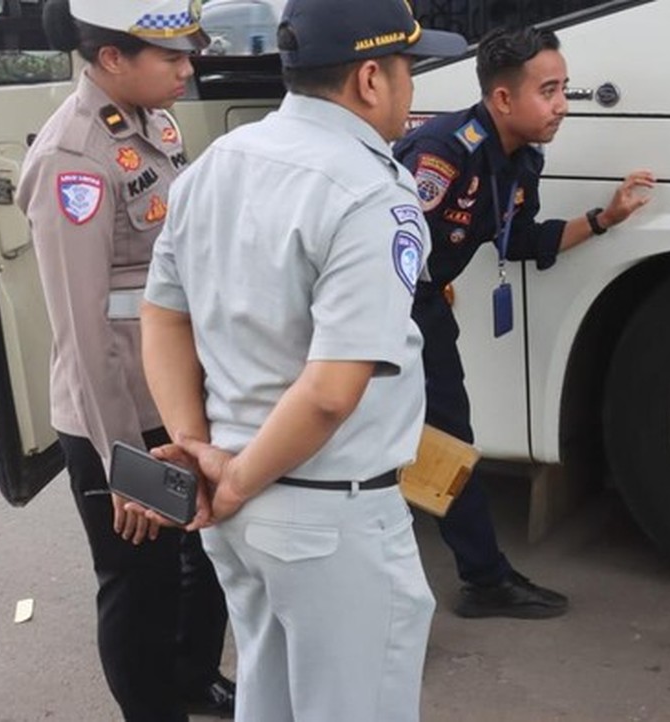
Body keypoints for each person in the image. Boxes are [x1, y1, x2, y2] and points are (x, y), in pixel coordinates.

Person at [136, 0, 466, 719]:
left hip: (237, 503)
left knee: (271, 694)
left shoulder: (218, 163)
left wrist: (196, 448)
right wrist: (231, 482)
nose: (413, 90)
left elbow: (162, 312)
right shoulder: (372, 192)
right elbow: (328, 391)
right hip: (325, 513)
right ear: (372, 78)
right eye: (409, 68)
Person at [15, 1, 234, 718]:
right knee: (138, 583)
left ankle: (194, 676)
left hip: (181, 397)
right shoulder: (71, 159)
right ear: (112, 60)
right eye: (169, 57)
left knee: (204, 556)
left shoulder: (155, 124)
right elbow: (81, 332)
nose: (187, 67)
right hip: (122, 418)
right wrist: (126, 472)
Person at [392, 26, 654, 619]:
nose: (562, 105)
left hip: (422, 310)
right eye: (550, 90)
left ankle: (483, 579)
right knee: (361, 446)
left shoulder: (522, 158)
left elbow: (521, 242)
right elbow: (376, 246)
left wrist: (606, 217)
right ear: (503, 99)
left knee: (450, 442)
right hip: (377, 310)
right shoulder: (442, 152)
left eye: (564, 88)